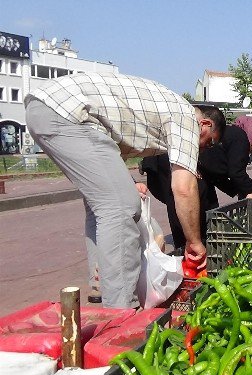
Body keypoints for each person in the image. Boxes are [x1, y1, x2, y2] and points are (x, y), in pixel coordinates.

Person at [24, 72, 220, 308]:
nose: (205, 149)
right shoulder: (188, 118)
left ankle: (103, 284)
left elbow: (107, 150)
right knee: (121, 206)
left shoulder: (164, 110)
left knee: (102, 206)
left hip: (49, 107)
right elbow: (184, 188)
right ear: (205, 126)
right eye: (208, 143)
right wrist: (194, 242)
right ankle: (121, 313)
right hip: (68, 112)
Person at [142, 116, 252, 249]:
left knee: (207, 205)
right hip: (166, 161)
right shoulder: (240, 138)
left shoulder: (226, 135)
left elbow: (215, 172)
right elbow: (236, 174)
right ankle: (188, 250)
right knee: (184, 203)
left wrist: (239, 191)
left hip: (185, 163)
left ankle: (203, 246)